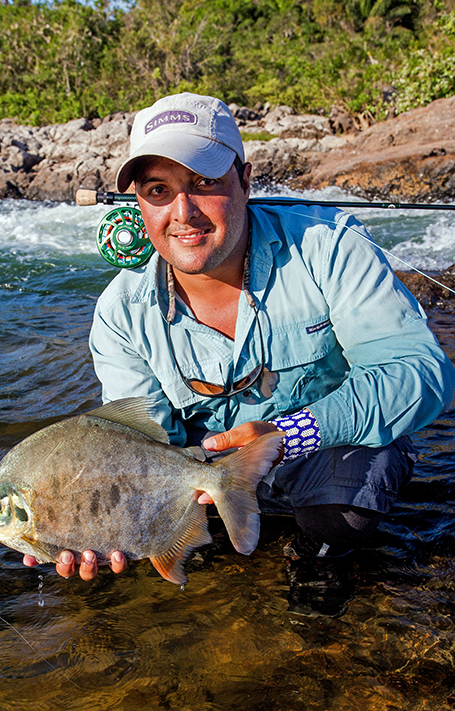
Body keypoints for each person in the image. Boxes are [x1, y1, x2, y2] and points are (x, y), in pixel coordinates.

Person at [26, 92, 455, 587]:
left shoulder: (330, 246)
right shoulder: (120, 312)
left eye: (205, 182)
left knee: (346, 514)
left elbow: (420, 372)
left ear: (246, 181)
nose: (183, 212)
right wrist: (92, 519)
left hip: (326, 447)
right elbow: (136, 440)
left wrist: (293, 435)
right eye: (159, 190)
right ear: (139, 203)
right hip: (201, 474)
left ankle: (314, 558)